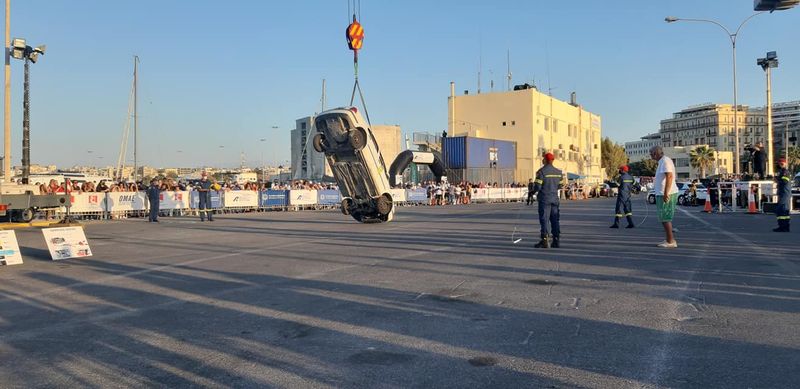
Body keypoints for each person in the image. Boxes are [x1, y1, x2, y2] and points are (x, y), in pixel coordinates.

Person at [530, 152, 562, 248]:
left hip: (544, 199)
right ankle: (556, 240)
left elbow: (538, 186)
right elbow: (560, 185)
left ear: (545, 160)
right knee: (555, 220)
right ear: (552, 160)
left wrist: (532, 192)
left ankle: (544, 240)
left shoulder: (541, 172)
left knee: (544, 219)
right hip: (555, 199)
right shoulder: (558, 172)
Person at [651, 145, 679, 248]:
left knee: (665, 217)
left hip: (667, 193)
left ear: (656, 153)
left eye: (651, 154)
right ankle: (668, 239)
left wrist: (666, 192)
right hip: (661, 193)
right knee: (663, 217)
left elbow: (669, 176)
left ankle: (671, 241)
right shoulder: (662, 162)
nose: (651, 156)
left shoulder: (665, 161)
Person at [773, 157, 792, 232]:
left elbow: (784, 181)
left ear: (785, 163)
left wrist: (777, 180)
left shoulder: (785, 172)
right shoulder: (782, 171)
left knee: (782, 210)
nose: (780, 164)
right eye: (779, 163)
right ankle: (784, 226)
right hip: (783, 193)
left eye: (782, 163)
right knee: (783, 210)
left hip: (784, 193)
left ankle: (783, 227)